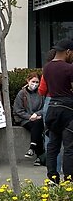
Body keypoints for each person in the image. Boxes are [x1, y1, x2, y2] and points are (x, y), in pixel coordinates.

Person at [42, 39, 73, 183]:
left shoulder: (46, 68)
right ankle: (69, 182)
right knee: (69, 148)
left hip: (52, 109)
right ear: (68, 52)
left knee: (52, 146)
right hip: (68, 109)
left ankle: (52, 179)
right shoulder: (70, 68)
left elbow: (45, 89)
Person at [13, 72, 45, 165]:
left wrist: (37, 114)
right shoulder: (22, 93)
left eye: (37, 82)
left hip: (38, 118)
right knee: (37, 126)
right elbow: (18, 110)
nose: (35, 84)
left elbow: (44, 107)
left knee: (38, 124)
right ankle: (39, 155)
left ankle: (32, 148)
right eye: (33, 81)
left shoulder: (41, 93)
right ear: (28, 81)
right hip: (25, 119)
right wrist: (29, 117)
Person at [38, 49, 62, 171]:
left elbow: (41, 90)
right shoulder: (69, 68)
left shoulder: (48, 70)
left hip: (50, 102)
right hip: (67, 103)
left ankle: (54, 170)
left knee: (50, 137)